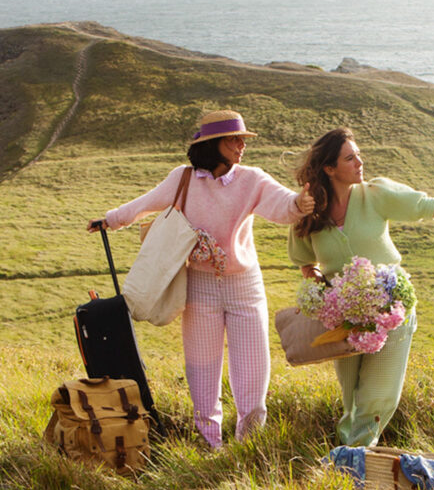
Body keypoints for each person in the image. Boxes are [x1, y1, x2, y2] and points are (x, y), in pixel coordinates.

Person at [89, 110, 314, 449]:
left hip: (244, 285)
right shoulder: (182, 179)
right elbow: (146, 204)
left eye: (243, 139)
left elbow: (282, 205)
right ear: (212, 145)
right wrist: (110, 220)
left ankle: (249, 446)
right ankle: (210, 445)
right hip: (200, 286)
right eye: (234, 140)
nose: (242, 146)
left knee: (253, 369)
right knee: (202, 371)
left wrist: (299, 202)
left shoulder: (251, 179)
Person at [288, 128, 434, 447]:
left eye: (358, 154)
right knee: (351, 395)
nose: (359, 162)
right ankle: (348, 453)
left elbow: (428, 206)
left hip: (390, 308)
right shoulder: (311, 209)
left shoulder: (376, 193)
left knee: (378, 393)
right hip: (345, 319)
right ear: (329, 168)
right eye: (350, 158)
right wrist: (324, 294)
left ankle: (354, 458)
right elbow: (304, 261)